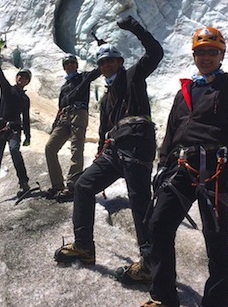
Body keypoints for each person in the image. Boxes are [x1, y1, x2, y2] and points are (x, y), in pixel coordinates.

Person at [142, 27, 228, 307]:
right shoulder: (186, 90)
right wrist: (162, 166)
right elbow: (171, 134)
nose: (206, 57)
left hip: (216, 169)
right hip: (181, 167)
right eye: (201, 52)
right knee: (158, 226)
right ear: (194, 55)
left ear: (222, 54)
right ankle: (163, 297)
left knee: (216, 240)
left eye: (212, 52)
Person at [54, 15, 164, 286]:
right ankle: (84, 246)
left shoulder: (133, 77)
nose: (106, 65)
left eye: (111, 60)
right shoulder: (105, 99)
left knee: (139, 201)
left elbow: (155, 53)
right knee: (83, 185)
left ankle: (149, 263)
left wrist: (135, 28)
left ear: (120, 62)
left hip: (137, 143)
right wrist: (101, 148)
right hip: (115, 149)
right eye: (102, 62)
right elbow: (104, 129)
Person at [45, 54, 101, 202]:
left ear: (76, 65)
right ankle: (57, 185)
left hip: (79, 113)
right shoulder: (64, 87)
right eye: (67, 64)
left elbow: (99, 70)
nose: (70, 65)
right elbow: (60, 106)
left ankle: (72, 185)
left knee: (76, 148)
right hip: (64, 117)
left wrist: (102, 50)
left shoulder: (84, 77)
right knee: (50, 147)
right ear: (64, 68)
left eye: (72, 63)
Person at [0, 38, 33, 207]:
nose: (22, 79)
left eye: (26, 78)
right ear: (17, 77)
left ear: (28, 81)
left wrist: (28, 136)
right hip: (1, 127)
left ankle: (23, 183)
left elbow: (26, 118)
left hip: (14, 128)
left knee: (15, 151)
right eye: (21, 76)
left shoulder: (25, 99)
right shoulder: (7, 89)